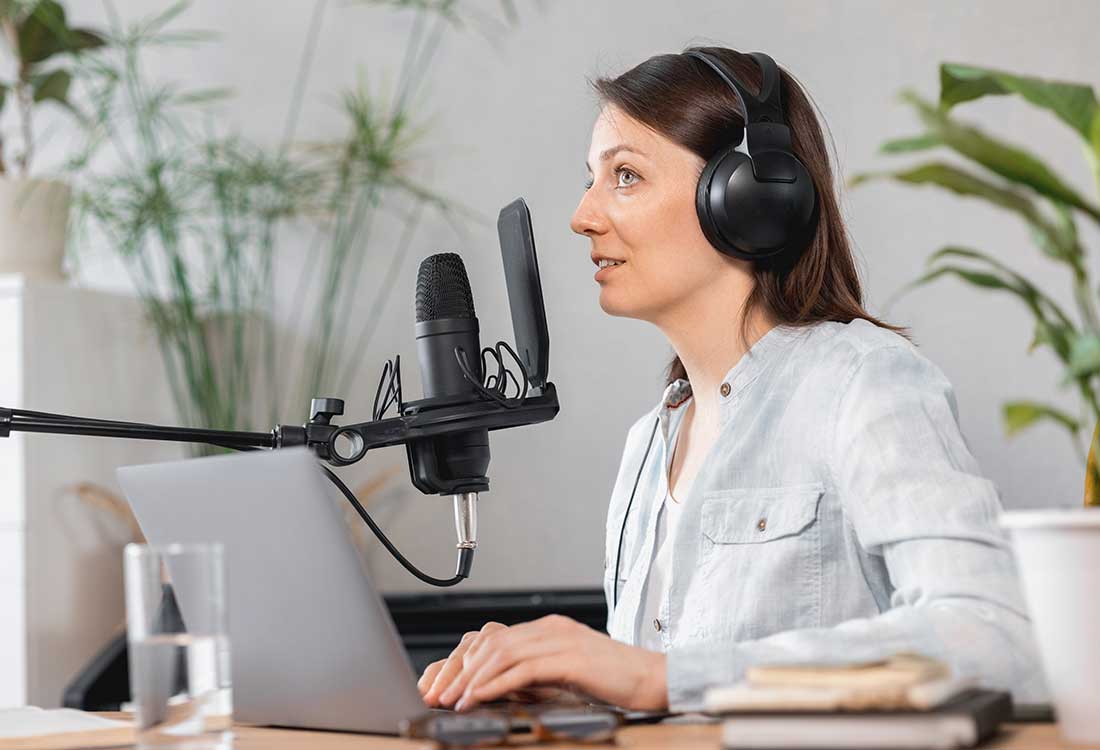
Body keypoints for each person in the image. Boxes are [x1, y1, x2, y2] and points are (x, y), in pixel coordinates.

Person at [416, 45, 1047, 714]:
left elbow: (994, 635)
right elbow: (671, 704)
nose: (582, 216)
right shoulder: (647, 445)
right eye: (590, 179)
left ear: (750, 198)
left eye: (625, 176)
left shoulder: (863, 384)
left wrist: (660, 677)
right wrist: (576, 687)